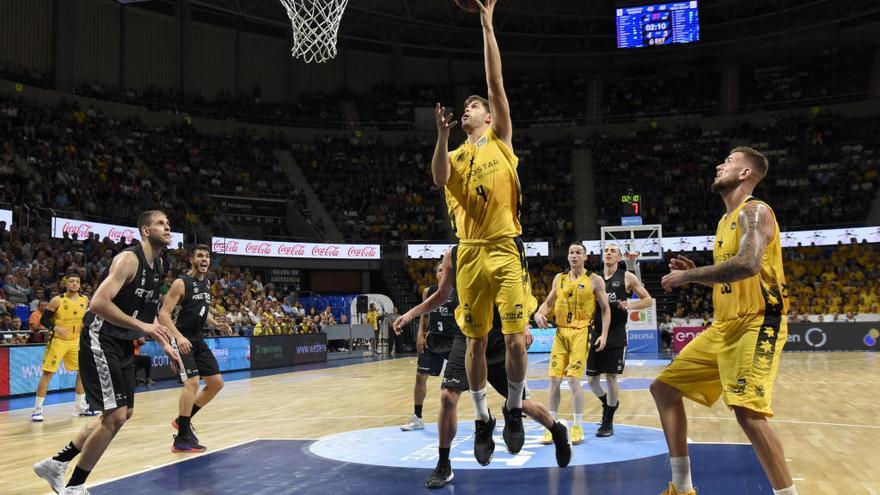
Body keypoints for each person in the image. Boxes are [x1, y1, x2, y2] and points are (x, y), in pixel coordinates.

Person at [654, 147, 796, 495]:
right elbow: (737, 275)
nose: (720, 165)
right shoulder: (724, 222)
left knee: (747, 411)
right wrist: (699, 275)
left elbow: (748, 264)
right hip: (724, 326)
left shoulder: (755, 211)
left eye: (730, 162)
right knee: (664, 389)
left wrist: (689, 278)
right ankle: (682, 487)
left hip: (757, 323)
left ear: (746, 173)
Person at [431, 0, 532, 462]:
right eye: (466, 107)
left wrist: (487, 23)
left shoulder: (501, 141)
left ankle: (512, 405)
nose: (468, 109)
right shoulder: (452, 157)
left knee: (513, 338)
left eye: (474, 107)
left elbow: (495, 83)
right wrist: (439, 137)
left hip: (505, 248)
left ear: (488, 118)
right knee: (473, 341)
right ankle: (482, 415)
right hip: (469, 252)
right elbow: (436, 179)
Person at [394, 249, 571, 489]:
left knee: (522, 404)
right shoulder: (454, 254)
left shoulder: (505, 244)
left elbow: (521, 290)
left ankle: (557, 430)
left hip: (501, 333)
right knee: (447, 396)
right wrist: (411, 314)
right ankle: (444, 464)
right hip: (467, 334)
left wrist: (524, 325)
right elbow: (442, 294)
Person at [33, 210, 180, 495]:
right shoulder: (128, 259)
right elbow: (98, 303)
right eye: (161, 223)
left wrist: (164, 342)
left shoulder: (158, 263)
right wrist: (142, 326)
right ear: (145, 230)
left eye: (168, 223)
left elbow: (149, 312)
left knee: (124, 414)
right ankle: (75, 488)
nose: (168, 227)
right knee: (113, 416)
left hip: (122, 342)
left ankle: (56, 463)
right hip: (101, 337)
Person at [534, 242, 611, 445]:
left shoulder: (595, 280)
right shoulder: (559, 279)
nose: (574, 255)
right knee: (553, 381)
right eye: (571, 253)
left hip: (581, 332)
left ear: (585, 257)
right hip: (560, 333)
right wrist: (539, 313)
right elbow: (548, 303)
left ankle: (577, 426)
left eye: (578, 253)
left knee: (574, 381)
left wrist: (603, 334)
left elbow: (605, 309)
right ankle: (551, 426)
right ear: (567, 257)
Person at [159, 244, 233, 452]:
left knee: (216, 383)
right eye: (200, 256)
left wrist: (216, 323)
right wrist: (179, 337)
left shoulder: (207, 283)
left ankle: (183, 419)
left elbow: (201, 310)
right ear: (192, 259)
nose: (204, 259)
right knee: (191, 383)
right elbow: (163, 315)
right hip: (182, 338)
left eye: (207, 256)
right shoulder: (181, 283)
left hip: (198, 339)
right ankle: (182, 438)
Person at [587, 243, 654, 437]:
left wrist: (631, 304)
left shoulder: (627, 277)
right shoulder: (594, 279)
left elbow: (648, 300)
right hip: (596, 332)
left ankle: (608, 421)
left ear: (619, 257)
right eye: (606, 250)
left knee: (610, 377)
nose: (608, 253)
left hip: (616, 334)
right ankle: (609, 403)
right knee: (592, 380)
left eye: (612, 251)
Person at [399, 263, 456, 432]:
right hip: (433, 340)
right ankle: (417, 417)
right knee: (420, 376)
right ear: (436, 275)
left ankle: (482, 414)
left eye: (445, 270)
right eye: (439, 270)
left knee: (462, 381)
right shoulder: (428, 292)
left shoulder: (460, 292)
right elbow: (425, 314)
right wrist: (420, 335)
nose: (442, 273)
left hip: (454, 341)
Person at [32, 275, 98, 421]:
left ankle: (80, 406)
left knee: (82, 372)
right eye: (71, 281)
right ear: (66, 284)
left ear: (80, 285)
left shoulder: (84, 300)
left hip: (76, 340)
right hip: (59, 341)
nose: (74, 284)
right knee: (48, 373)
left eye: (77, 282)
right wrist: (54, 327)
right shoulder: (57, 300)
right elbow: (44, 319)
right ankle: (37, 409)